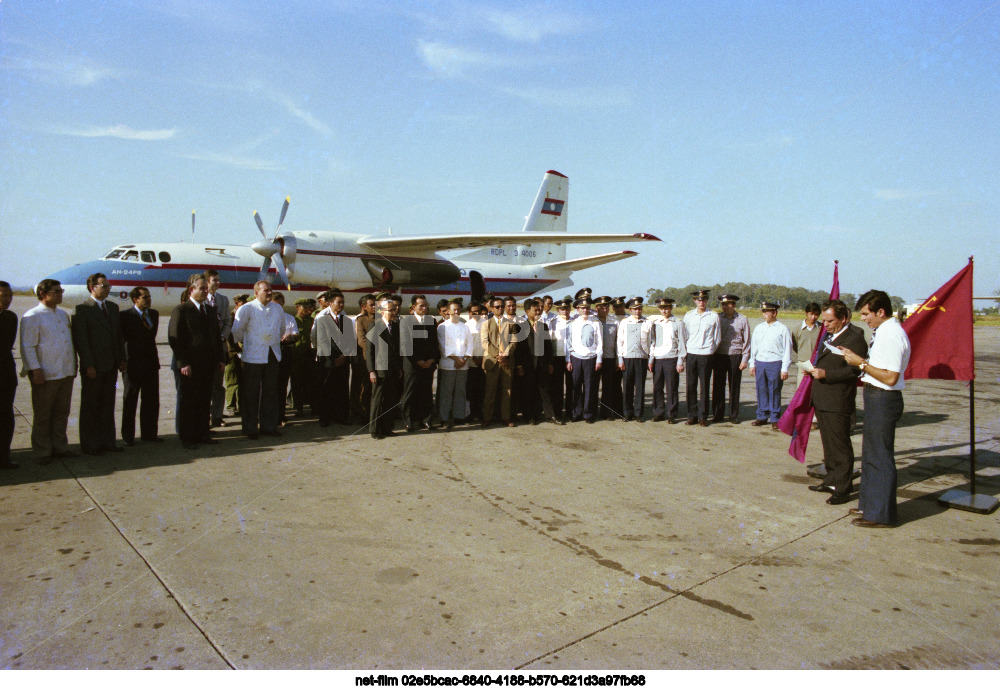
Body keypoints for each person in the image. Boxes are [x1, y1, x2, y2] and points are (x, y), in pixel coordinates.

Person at [840, 290, 911, 528]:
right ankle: (869, 505)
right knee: (870, 453)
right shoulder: (883, 331)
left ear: (881, 311)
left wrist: (859, 363)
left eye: (866, 314)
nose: (863, 319)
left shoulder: (892, 335)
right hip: (874, 395)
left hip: (884, 397)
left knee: (880, 456)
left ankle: (881, 514)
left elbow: (890, 377)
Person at [807, 300, 868, 505]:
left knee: (840, 445)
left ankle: (843, 487)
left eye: (830, 320)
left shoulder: (855, 338)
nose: (826, 324)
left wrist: (827, 374)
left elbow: (854, 370)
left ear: (843, 318)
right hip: (823, 398)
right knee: (829, 444)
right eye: (824, 320)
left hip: (838, 399)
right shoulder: (829, 334)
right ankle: (831, 479)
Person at [20, 280, 78, 464]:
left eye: (61, 290)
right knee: (43, 414)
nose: (60, 294)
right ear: (43, 294)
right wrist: (35, 370)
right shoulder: (32, 316)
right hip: (45, 374)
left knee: (62, 412)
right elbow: (27, 346)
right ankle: (43, 451)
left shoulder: (62, 315)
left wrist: (72, 367)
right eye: (56, 291)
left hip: (65, 372)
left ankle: (60, 447)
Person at [168, 274, 225, 449]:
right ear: (191, 290)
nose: (205, 291)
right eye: (202, 288)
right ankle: (188, 437)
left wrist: (220, 359)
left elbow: (216, 337)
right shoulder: (181, 310)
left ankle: (202, 433)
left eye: (206, 288)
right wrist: (183, 362)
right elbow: (175, 339)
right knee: (189, 402)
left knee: (203, 400)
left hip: (207, 365)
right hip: (190, 366)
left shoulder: (210, 311)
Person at [72, 273, 126, 455]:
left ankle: (108, 442)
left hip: (111, 365)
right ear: (92, 288)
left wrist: (121, 359)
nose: (108, 288)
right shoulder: (83, 309)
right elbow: (82, 341)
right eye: (104, 285)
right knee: (91, 405)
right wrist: (88, 365)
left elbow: (118, 336)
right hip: (94, 367)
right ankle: (90, 444)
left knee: (107, 404)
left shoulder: (112, 307)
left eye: (108, 285)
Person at [232, 280, 285, 439]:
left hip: (272, 354)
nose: (269, 293)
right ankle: (250, 429)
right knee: (251, 394)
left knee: (270, 393)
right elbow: (237, 331)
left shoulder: (277, 309)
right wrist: (249, 345)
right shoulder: (247, 309)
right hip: (253, 356)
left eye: (270, 290)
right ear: (256, 293)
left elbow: (281, 328)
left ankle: (268, 427)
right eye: (265, 291)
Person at [119, 287, 161, 445]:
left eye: (149, 297)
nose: (149, 300)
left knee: (151, 400)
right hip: (133, 365)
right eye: (145, 297)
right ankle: (128, 436)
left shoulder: (154, 314)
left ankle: (149, 433)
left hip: (150, 363)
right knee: (130, 400)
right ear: (135, 299)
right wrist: (123, 361)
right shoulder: (125, 316)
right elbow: (122, 340)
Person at [515, 298, 562, 425]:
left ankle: (550, 416)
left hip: (542, 364)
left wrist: (550, 363)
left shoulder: (543, 326)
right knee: (529, 391)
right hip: (528, 365)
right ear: (527, 311)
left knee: (545, 391)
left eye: (539, 310)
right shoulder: (520, 327)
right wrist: (519, 365)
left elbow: (548, 347)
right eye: (535, 310)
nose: (538, 312)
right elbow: (518, 349)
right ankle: (530, 416)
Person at [312, 289, 353, 426]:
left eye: (343, 302)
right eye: (338, 302)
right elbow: (320, 339)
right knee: (326, 389)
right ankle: (325, 418)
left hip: (342, 359)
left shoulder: (345, 318)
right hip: (327, 360)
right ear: (330, 303)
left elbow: (349, 339)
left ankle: (341, 416)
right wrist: (332, 358)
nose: (341, 305)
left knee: (341, 390)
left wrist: (344, 356)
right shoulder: (322, 318)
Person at [748, 301, 793, 428]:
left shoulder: (782, 329)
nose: (765, 314)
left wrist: (784, 368)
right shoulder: (759, 328)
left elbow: (787, 350)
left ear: (774, 313)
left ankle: (774, 417)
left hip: (775, 362)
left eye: (767, 312)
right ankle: (762, 415)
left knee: (774, 390)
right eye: (763, 312)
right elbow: (754, 347)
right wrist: (752, 363)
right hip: (761, 361)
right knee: (761, 389)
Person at [400, 295, 438, 432]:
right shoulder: (406, 322)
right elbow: (405, 344)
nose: (425, 308)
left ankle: (426, 419)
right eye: (421, 306)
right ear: (413, 307)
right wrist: (417, 360)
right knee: (410, 393)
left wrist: (432, 359)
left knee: (426, 393)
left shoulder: (431, 321)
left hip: (428, 364)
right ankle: (409, 420)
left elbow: (434, 343)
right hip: (412, 364)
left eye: (426, 305)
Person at [366, 297, 402, 439]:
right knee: (377, 400)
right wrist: (371, 371)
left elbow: (397, 349)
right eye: (391, 310)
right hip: (380, 370)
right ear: (382, 312)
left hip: (392, 370)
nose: (394, 312)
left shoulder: (396, 326)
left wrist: (398, 368)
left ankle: (387, 428)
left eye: (395, 309)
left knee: (390, 400)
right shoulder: (374, 326)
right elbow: (369, 351)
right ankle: (375, 430)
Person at [683, 289, 720, 426]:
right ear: (694, 301)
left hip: (706, 354)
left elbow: (717, 337)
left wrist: (710, 349)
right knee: (691, 385)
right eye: (699, 300)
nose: (701, 302)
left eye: (704, 299)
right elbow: (685, 334)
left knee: (704, 386)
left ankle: (703, 416)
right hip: (691, 353)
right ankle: (691, 415)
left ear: (707, 300)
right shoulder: (688, 316)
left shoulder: (713, 316)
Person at [711, 295, 750, 424]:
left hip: (735, 355)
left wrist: (745, 359)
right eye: (723, 304)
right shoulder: (717, 318)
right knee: (718, 386)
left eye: (727, 304)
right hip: (720, 355)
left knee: (734, 386)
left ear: (733, 305)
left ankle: (733, 415)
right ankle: (718, 414)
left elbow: (747, 341)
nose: (724, 307)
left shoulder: (742, 320)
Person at [480, 297, 519, 427]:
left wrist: (506, 354)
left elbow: (514, 341)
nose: (500, 309)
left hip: (507, 362)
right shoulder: (486, 323)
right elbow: (485, 343)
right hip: (492, 362)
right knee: (490, 391)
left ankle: (506, 417)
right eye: (497, 307)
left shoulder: (510, 323)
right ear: (491, 308)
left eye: (502, 306)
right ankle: (487, 417)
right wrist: (498, 355)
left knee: (507, 392)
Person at [566, 296, 603, 423]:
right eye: (582, 308)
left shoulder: (596, 323)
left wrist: (599, 359)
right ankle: (576, 412)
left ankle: (588, 414)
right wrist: (568, 360)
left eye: (587, 308)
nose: (585, 310)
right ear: (577, 309)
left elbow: (599, 342)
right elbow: (569, 343)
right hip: (576, 358)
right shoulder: (573, 324)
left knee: (590, 388)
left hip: (590, 358)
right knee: (576, 386)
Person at [648, 298, 685, 423]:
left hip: (671, 358)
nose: (664, 310)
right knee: (657, 387)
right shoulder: (656, 323)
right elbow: (653, 342)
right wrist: (651, 359)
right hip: (658, 358)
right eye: (662, 308)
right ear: (659, 309)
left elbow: (682, 343)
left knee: (672, 388)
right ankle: (658, 412)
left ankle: (671, 414)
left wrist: (680, 360)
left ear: (671, 308)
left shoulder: (678, 323)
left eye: (667, 308)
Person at [437, 299, 474, 428]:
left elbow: (470, 345)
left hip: (463, 365)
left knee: (460, 391)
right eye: (454, 310)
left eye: (458, 309)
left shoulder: (465, 327)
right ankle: (444, 417)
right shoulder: (442, 327)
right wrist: (457, 359)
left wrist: (464, 359)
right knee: (446, 392)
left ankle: (459, 416)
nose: (456, 312)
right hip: (448, 364)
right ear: (448, 311)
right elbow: (443, 346)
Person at [204, 269, 231, 427]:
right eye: (215, 280)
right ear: (207, 282)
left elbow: (227, 321)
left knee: (218, 384)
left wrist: (222, 337)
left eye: (219, 280)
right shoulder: (202, 300)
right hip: (205, 348)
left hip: (219, 347)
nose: (218, 283)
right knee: (205, 384)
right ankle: (204, 415)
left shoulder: (223, 299)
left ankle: (217, 416)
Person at [617, 297, 651, 422]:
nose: (638, 311)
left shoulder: (647, 322)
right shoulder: (624, 323)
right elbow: (620, 341)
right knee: (627, 386)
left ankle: (638, 413)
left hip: (641, 358)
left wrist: (650, 359)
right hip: (628, 358)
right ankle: (627, 413)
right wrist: (620, 359)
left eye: (640, 308)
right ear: (630, 310)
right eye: (635, 309)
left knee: (640, 387)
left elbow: (651, 341)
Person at [1, 281, 20, 469]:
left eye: (9, 295)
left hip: (6, 375)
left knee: (6, 417)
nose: (7, 300)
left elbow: (7, 345)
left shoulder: (11, 318)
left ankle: (4, 456)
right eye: (2, 296)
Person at [594, 296, 622, 420]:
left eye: (606, 306)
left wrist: (618, 359)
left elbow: (618, 342)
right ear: (597, 308)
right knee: (593, 386)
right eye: (602, 307)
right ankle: (592, 411)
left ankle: (607, 412)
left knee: (608, 387)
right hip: (594, 359)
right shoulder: (592, 321)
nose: (605, 309)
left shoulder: (614, 321)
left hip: (610, 357)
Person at [351, 294, 376, 422]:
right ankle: (361, 413)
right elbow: (362, 340)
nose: (374, 307)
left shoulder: (380, 319)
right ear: (364, 307)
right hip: (366, 359)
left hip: (380, 359)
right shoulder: (360, 320)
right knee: (363, 388)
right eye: (371, 304)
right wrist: (377, 351)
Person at [549, 298, 575, 422]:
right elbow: (549, 341)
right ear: (558, 310)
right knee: (557, 387)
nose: (565, 311)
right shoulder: (553, 323)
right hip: (557, 357)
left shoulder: (575, 322)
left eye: (567, 308)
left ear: (570, 309)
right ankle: (557, 412)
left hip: (572, 357)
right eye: (562, 309)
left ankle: (571, 412)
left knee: (572, 386)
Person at [290, 297, 317, 417]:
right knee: (296, 384)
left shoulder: (311, 321)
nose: (307, 309)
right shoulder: (293, 320)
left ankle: (313, 407)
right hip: (296, 357)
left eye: (308, 307)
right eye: (304, 307)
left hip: (309, 356)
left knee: (311, 383)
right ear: (297, 307)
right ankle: (298, 408)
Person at [224, 294, 249, 417]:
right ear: (237, 304)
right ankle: (231, 406)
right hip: (232, 353)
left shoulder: (245, 316)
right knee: (232, 381)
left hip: (243, 352)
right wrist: (235, 350)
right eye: (242, 304)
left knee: (242, 381)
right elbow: (228, 336)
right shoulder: (231, 317)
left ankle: (240, 405)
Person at [465, 302, 486, 423]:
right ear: (469, 313)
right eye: (474, 312)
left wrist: (482, 357)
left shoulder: (486, 323)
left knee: (482, 389)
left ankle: (481, 413)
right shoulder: (466, 326)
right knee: (471, 390)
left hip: (483, 361)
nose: (477, 313)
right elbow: (466, 344)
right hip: (471, 363)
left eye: (479, 311)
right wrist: (473, 358)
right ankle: (471, 414)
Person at [793, 303, 822, 386]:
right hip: (803, 365)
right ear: (806, 313)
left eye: (816, 314)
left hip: (817, 365)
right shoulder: (797, 329)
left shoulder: (821, 329)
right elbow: (796, 346)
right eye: (811, 314)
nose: (813, 317)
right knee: (801, 391)